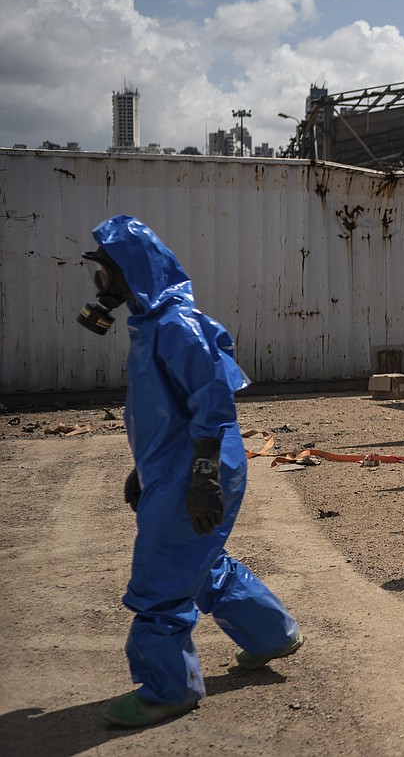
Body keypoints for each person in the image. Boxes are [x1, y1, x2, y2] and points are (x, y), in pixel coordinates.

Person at [77, 215, 303, 727]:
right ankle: (273, 634)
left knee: (160, 580)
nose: (99, 284)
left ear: (131, 272)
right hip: (175, 467)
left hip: (197, 470)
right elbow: (167, 410)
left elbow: (213, 404)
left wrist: (201, 477)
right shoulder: (153, 325)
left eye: (105, 271)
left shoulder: (177, 326)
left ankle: (168, 689)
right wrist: (147, 470)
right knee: (199, 560)